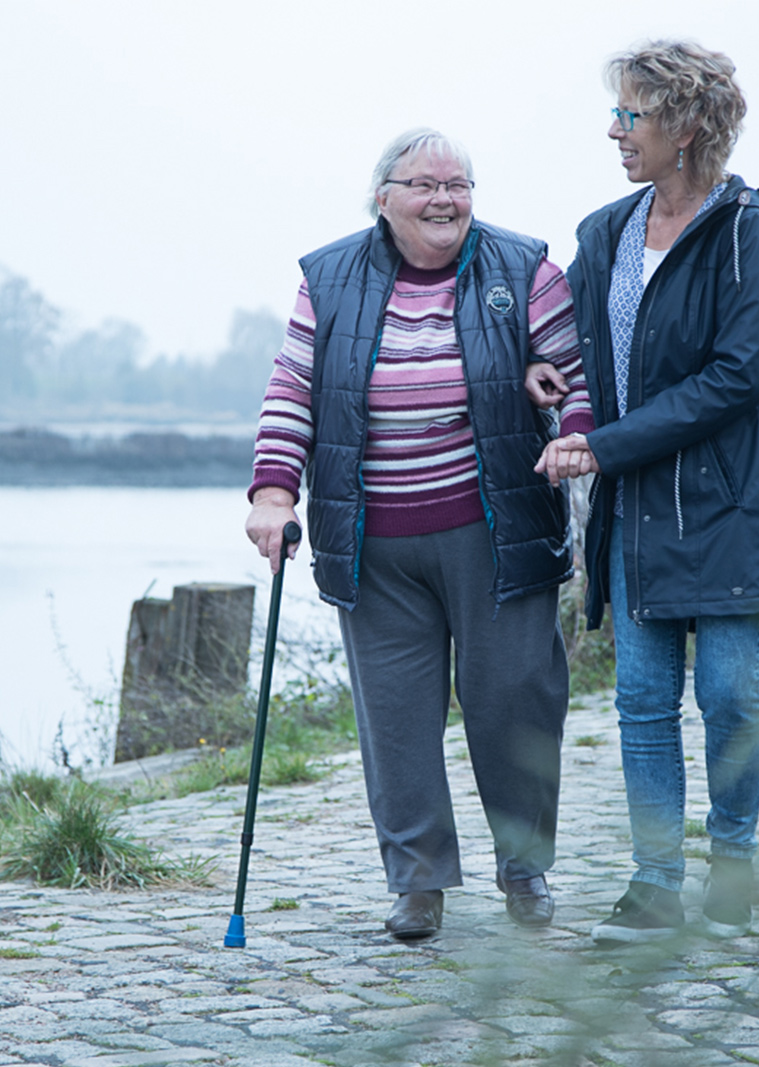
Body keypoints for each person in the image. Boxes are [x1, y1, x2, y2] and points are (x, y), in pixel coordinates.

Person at [246, 128, 593, 940]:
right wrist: (272, 493)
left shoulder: (522, 268)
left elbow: (574, 374)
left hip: (496, 531)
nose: (446, 199)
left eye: (460, 184)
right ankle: (417, 881)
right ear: (384, 197)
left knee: (514, 702)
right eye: (426, 185)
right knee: (396, 718)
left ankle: (523, 865)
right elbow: (293, 389)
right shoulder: (329, 279)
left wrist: (570, 430)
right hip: (374, 541)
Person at [532, 40, 759, 942]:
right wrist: (550, 383)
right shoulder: (604, 232)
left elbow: (738, 376)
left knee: (729, 696)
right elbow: (568, 347)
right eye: (616, 114)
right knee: (642, 702)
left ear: (686, 127)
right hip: (637, 510)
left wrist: (601, 446)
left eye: (631, 115)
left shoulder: (745, 231)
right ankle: (654, 884)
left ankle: (733, 864)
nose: (615, 132)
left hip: (728, 509)